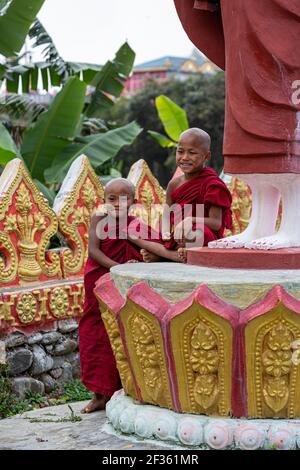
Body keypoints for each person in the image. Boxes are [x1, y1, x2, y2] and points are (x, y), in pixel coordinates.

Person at [173, 0, 300, 250]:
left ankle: (294, 226)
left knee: (285, 131)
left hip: (283, 17)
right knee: (250, 136)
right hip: (240, 14)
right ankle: (259, 225)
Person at [78, 178, 157, 413]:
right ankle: (98, 395)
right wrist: (117, 267)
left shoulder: (136, 225)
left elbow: (155, 248)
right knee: (96, 334)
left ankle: (128, 390)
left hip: (124, 283)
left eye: (123, 199)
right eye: (111, 199)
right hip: (100, 278)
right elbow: (93, 251)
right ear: (104, 200)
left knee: (125, 334)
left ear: (134, 202)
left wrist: (140, 262)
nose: (117, 204)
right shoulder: (99, 219)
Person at [140, 128, 232, 263]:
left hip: (200, 234)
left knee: (195, 233)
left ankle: (166, 254)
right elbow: (167, 213)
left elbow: (216, 223)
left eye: (192, 153)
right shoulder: (174, 184)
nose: (184, 158)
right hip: (177, 236)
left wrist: (191, 220)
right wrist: (165, 233)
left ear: (206, 156)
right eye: (180, 151)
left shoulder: (213, 184)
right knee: (136, 232)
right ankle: (174, 253)